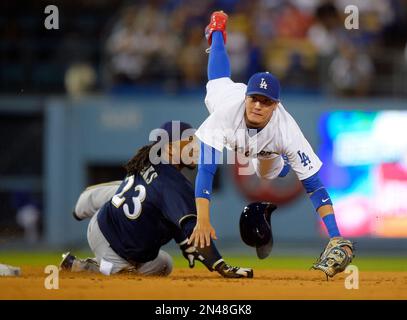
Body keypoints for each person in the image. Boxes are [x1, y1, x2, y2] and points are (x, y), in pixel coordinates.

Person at [189, 11, 354, 278]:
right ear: (246, 97)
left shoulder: (285, 129)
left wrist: (335, 235)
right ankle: (216, 30)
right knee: (216, 81)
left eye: (265, 101)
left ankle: (286, 165)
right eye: (254, 98)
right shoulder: (225, 110)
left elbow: (314, 185)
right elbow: (206, 170)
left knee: (266, 171)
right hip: (231, 122)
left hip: (267, 149)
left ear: (276, 106)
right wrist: (203, 219)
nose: (257, 104)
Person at [60, 121, 253, 278]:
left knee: (164, 264)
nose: (196, 147)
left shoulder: (149, 161)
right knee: (127, 279)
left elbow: (168, 211)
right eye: (188, 142)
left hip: (108, 220)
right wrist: (221, 266)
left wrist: (183, 242)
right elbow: (192, 229)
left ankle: (84, 206)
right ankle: (86, 267)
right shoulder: (174, 184)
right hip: (112, 242)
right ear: (169, 149)